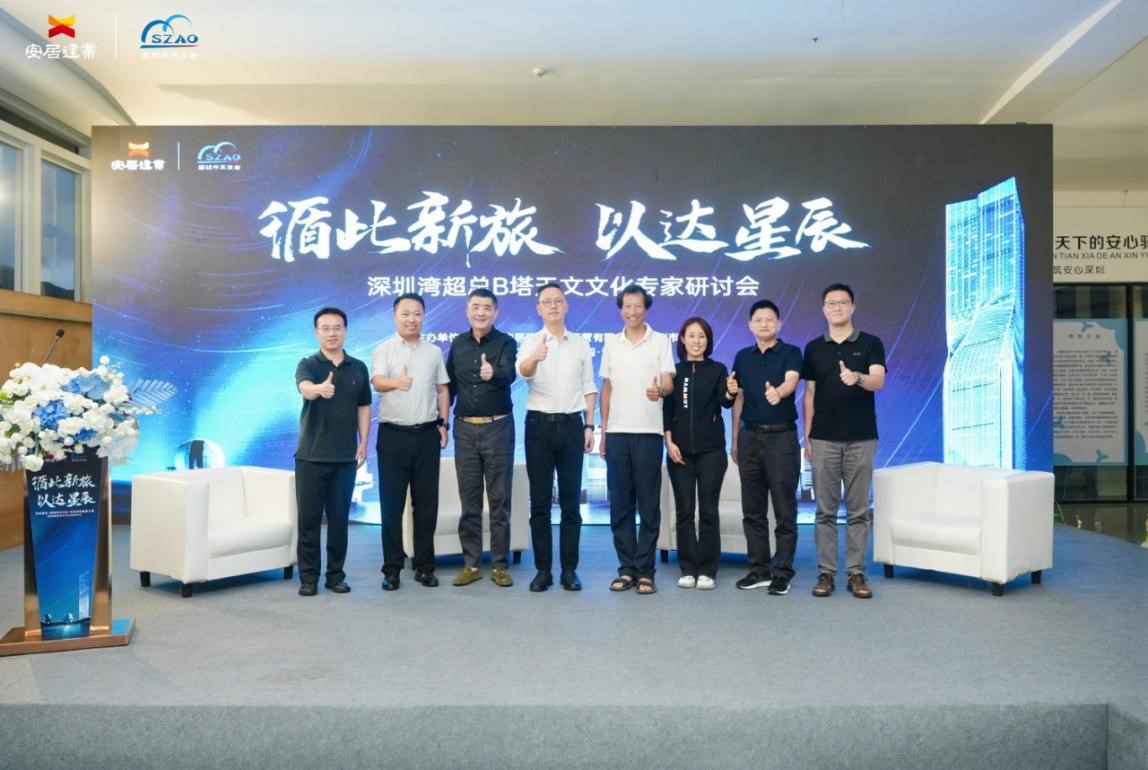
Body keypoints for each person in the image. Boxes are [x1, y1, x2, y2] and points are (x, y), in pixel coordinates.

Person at [802, 283, 887, 599]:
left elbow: (878, 380)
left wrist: (857, 377)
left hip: (861, 438)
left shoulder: (870, 343)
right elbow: (809, 394)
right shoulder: (813, 348)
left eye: (842, 302)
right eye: (831, 303)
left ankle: (856, 573)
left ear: (852, 307)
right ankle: (826, 572)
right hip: (823, 439)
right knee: (824, 511)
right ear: (823, 309)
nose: (837, 307)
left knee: (858, 510)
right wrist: (808, 435)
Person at [517, 283, 597, 592]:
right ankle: (543, 570)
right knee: (539, 502)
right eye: (546, 302)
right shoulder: (531, 342)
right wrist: (535, 357)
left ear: (567, 306)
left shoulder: (580, 344)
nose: (553, 306)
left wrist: (589, 426)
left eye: (558, 301)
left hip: (572, 426)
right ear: (538, 308)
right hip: (538, 426)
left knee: (570, 503)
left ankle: (569, 570)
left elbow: (589, 387)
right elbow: (522, 372)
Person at [371, 293, 450, 591]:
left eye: (417, 313)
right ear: (395, 316)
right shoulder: (384, 349)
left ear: (424, 317)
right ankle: (391, 569)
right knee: (391, 506)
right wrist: (397, 383)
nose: (411, 319)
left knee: (426, 505)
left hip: (427, 434)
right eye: (405, 313)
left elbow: (443, 390)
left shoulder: (434, 352)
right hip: (393, 435)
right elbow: (378, 382)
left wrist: (444, 424)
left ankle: (425, 567)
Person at [599, 284, 675, 595]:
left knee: (648, 504)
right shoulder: (611, 343)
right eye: (627, 306)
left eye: (638, 306)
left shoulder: (660, 341)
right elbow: (607, 388)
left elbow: (668, 381)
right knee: (620, 504)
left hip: (649, 432)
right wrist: (603, 431)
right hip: (617, 433)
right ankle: (626, 569)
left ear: (646, 308)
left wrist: (661, 391)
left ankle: (646, 570)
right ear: (621, 309)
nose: (632, 311)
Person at [293, 307, 372, 597]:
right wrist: (318, 389)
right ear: (317, 333)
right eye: (325, 328)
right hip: (310, 457)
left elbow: (364, 407)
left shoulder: (358, 367)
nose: (331, 333)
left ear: (345, 331)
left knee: (339, 522)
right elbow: (304, 388)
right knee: (309, 521)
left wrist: (363, 443)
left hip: (344, 458)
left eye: (337, 327)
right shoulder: (308, 364)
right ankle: (309, 578)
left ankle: (335, 576)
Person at [728, 299, 803, 596]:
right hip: (750, 437)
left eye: (770, 319)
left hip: (781, 438)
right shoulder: (742, 357)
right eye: (758, 319)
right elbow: (739, 398)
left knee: (784, 509)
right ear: (750, 325)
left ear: (779, 323)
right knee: (753, 509)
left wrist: (779, 393)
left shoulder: (791, 352)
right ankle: (759, 570)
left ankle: (782, 572)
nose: (764, 324)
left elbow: (792, 380)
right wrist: (735, 437)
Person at [446, 288, 518, 588]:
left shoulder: (506, 342)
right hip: (464, 429)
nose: (481, 312)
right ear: (467, 310)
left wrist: (494, 373)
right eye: (475, 307)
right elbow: (449, 386)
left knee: (499, 500)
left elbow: (510, 373)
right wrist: (441, 421)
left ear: (495, 312)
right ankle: (472, 564)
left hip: (497, 427)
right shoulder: (458, 344)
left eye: (487, 308)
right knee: (470, 500)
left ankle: (499, 565)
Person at [663, 316, 733, 590]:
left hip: (711, 452)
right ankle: (688, 568)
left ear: (708, 341)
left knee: (708, 511)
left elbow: (724, 402)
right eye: (691, 335)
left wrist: (730, 393)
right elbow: (667, 411)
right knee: (684, 511)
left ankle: (707, 570)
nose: (696, 341)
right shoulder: (673, 372)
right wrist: (669, 442)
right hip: (679, 452)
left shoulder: (718, 370)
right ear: (682, 340)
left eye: (701, 336)